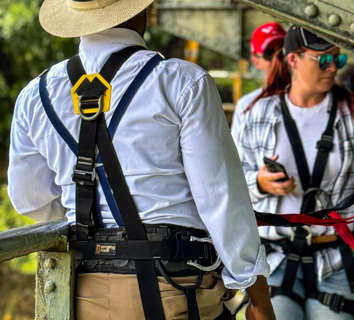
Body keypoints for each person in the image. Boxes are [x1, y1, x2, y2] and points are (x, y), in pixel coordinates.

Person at [7, 1, 275, 320]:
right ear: (140, 9)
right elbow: (221, 199)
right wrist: (257, 296)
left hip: (81, 294)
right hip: (175, 288)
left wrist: (92, 222)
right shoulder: (181, 81)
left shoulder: (35, 96)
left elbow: (29, 199)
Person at [235, 25, 354, 320]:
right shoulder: (258, 113)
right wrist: (259, 183)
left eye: (337, 61)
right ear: (293, 60)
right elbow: (232, 184)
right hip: (276, 260)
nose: (332, 69)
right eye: (323, 60)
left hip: (339, 260)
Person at [231, 22, 286, 146]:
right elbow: (240, 158)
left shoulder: (315, 97)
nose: (278, 58)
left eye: (283, 50)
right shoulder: (247, 106)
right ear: (256, 62)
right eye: (270, 53)